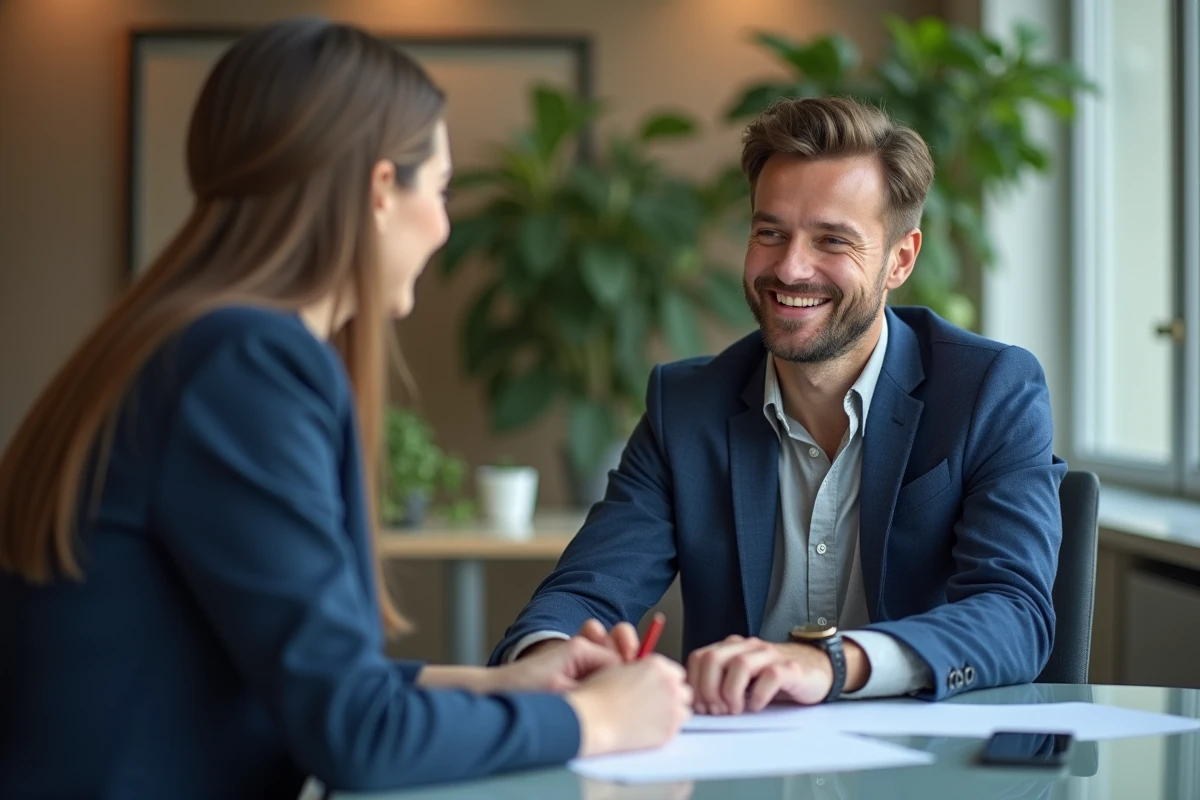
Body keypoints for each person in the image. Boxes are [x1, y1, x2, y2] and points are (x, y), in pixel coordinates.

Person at [0, 17, 691, 800]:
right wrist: (596, 722)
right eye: (441, 189)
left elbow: (284, 669)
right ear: (379, 189)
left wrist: (509, 683)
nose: (445, 224)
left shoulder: (176, 338)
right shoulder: (249, 363)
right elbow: (357, 735)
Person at [493, 95, 1067, 714]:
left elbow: (1014, 613)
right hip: (737, 763)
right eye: (770, 233)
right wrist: (546, 655)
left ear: (900, 259)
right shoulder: (685, 406)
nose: (791, 268)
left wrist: (831, 663)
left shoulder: (989, 388)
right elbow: (587, 591)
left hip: (924, 761)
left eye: (832, 240)